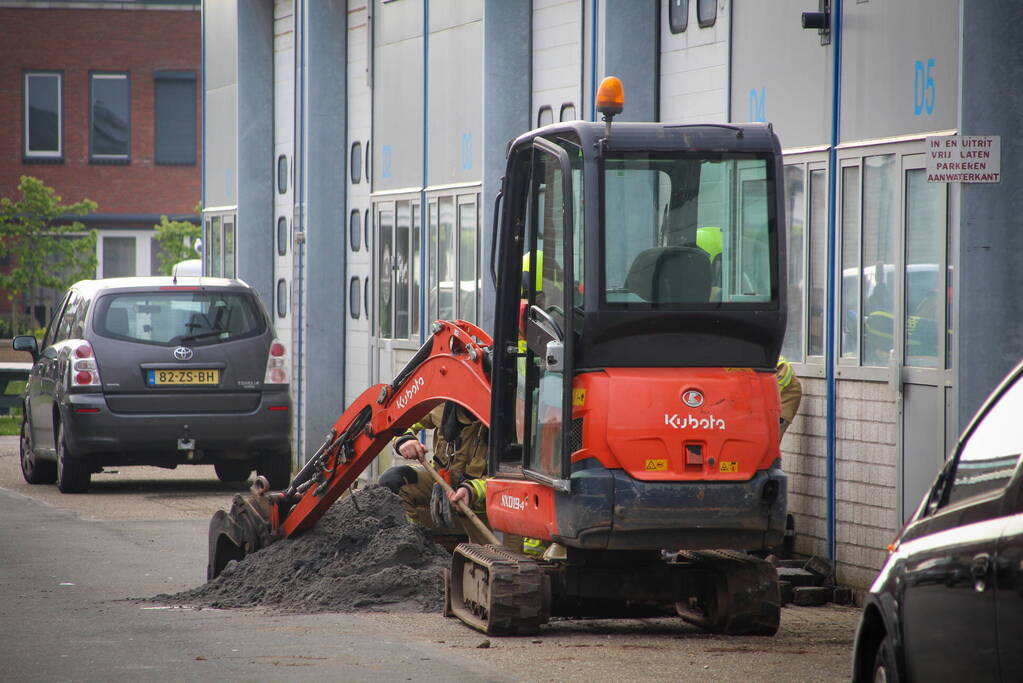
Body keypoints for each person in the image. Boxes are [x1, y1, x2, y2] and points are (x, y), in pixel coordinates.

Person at [378, 402, 493, 544]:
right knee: (393, 481)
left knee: (499, 560)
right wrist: (405, 439)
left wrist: (472, 491)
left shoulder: (510, 417)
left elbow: (515, 485)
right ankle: (414, 544)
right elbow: (399, 421)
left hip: (485, 510)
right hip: (441, 483)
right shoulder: (443, 404)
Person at [777, 355, 802, 439]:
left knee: (769, 442)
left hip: (783, 402)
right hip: (771, 405)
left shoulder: (780, 364)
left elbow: (775, 391)